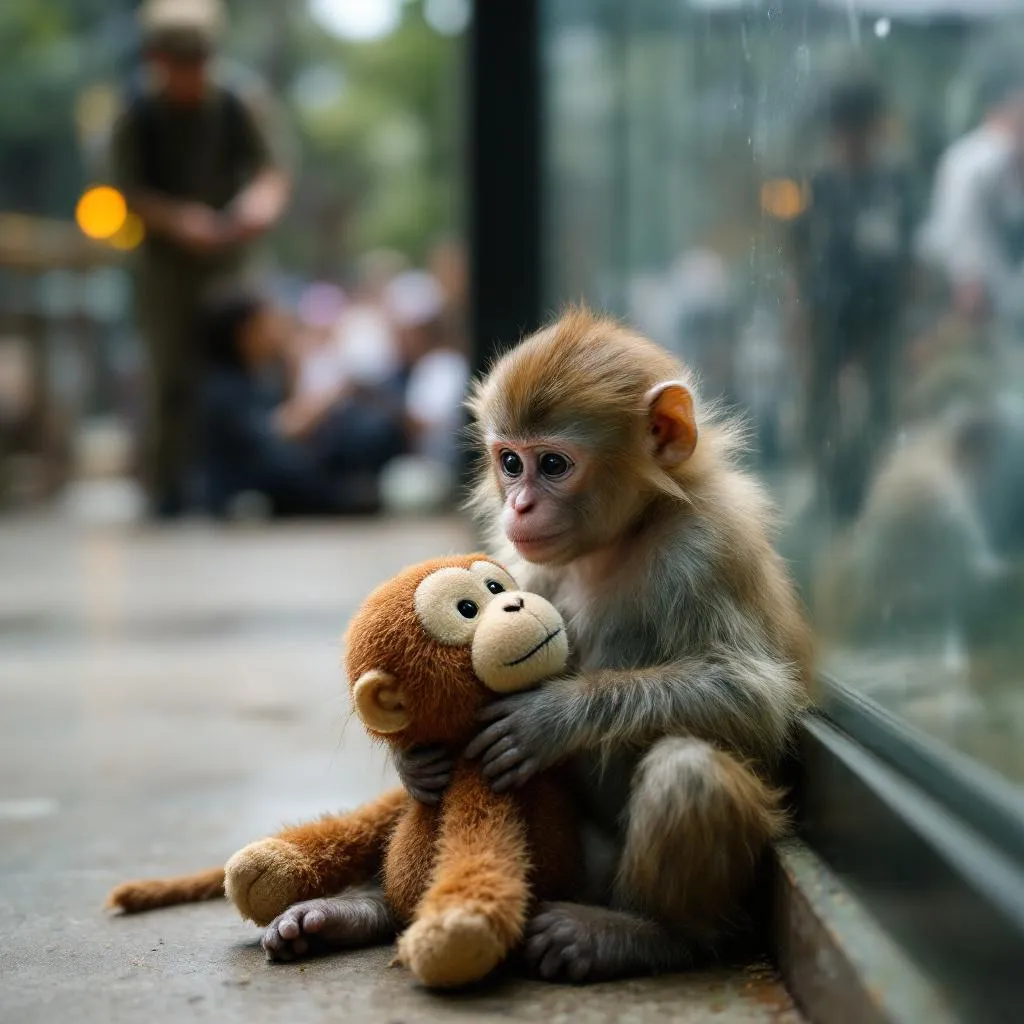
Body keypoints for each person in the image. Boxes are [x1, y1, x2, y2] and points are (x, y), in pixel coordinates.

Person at [108, 0, 292, 518]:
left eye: (199, 61)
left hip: (229, 261)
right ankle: (166, 487)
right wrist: (179, 219)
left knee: (240, 370)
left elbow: (271, 173)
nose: (192, 74)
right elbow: (125, 190)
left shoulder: (238, 102)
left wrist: (256, 206)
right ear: (157, 60)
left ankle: (240, 477)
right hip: (165, 268)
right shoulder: (136, 113)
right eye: (180, 63)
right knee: (170, 374)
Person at [789, 72, 916, 521]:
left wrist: (908, 316)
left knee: (880, 402)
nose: (851, 139)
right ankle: (823, 482)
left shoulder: (894, 181)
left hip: (882, 311)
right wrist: (801, 314)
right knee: (821, 403)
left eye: (859, 127)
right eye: (844, 128)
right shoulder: (820, 183)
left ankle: (875, 485)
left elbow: (909, 254)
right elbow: (800, 252)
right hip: (828, 310)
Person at [200, 289, 407, 518]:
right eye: (268, 323)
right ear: (246, 333)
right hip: (245, 493)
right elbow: (276, 431)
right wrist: (329, 396)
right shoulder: (224, 388)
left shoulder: (261, 375)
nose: (278, 329)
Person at [918, 60, 1024, 342]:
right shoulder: (987, 154)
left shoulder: (986, 154)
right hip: (968, 287)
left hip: (989, 288)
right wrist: (969, 278)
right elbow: (960, 220)